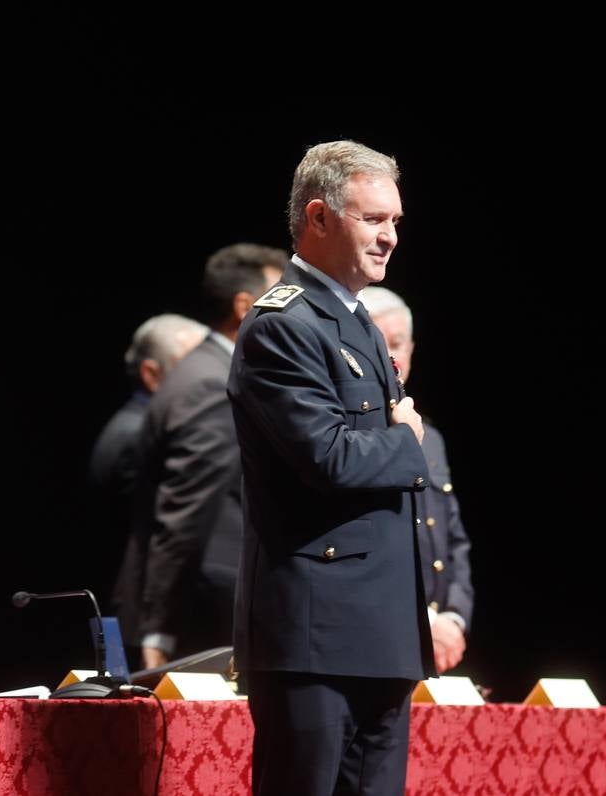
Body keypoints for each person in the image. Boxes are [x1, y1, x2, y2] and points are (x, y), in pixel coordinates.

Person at [228, 141, 433, 795]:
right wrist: (409, 443)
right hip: (315, 635)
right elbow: (330, 457)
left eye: (396, 221)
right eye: (374, 219)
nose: (390, 237)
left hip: (379, 630)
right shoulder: (282, 324)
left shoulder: (361, 323)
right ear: (318, 218)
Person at [116, 244, 286, 668]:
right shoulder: (212, 382)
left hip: (205, 599)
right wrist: (160, 627)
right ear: (245, 306)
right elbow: (184, 513)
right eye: (281, 295)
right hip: (203, 609)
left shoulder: (206, 371)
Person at [360, 285, 473, 674]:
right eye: (380, 344)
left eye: (399, 343)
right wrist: (422, 619)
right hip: (374, 637)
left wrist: (453, 618)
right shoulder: (353, 438)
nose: (393, 356)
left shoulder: (432, 439)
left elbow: (454, 541)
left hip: (437, 644)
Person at [89, 313, 206, 595]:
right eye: (193, 367)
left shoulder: (137, 425)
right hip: (143, 603)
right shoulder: (138, 436)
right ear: (151, 374)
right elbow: (159, 536)